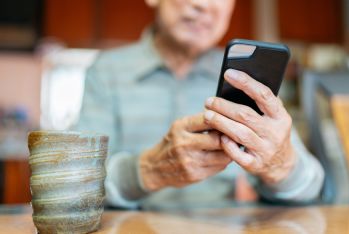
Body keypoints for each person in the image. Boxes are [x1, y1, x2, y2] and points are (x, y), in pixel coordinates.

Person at [76, 0, 324, 209]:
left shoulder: (248, 78)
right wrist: (147, 171)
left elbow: (313, 185)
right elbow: (76, 184)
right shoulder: (105, 72)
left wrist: (280, 165)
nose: (204, 5)